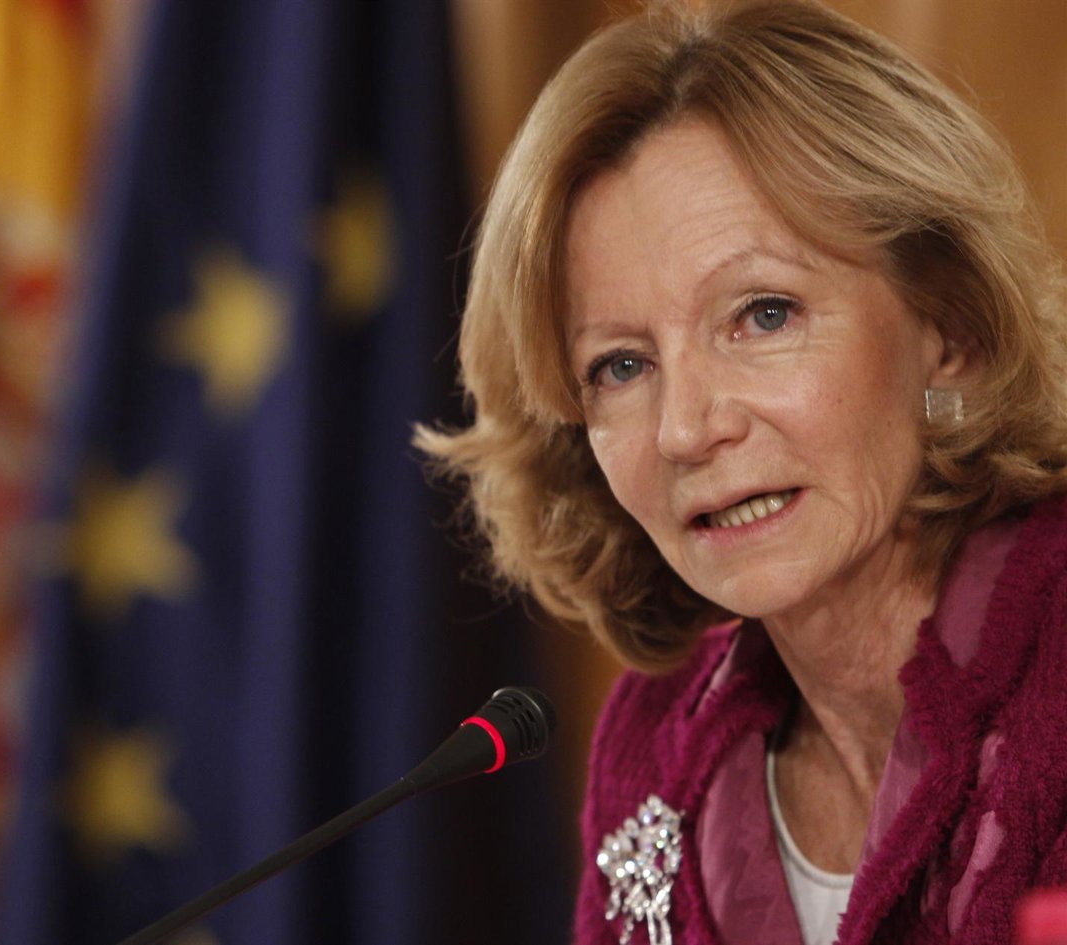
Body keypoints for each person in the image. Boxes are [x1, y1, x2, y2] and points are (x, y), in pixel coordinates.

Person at [415, 0, 1067, 943]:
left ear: (950, 329)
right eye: (621, 366)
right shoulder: (657, 744)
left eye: (764, 315)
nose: (686, 428)